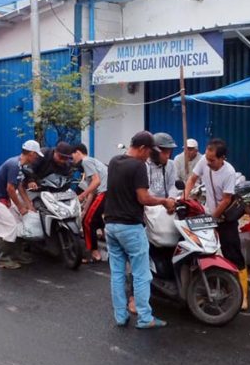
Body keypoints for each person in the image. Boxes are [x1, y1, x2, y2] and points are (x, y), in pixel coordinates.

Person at [104, 131, 176, 328]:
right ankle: (145, 318)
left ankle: (120, 316)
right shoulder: (138, 166)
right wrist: (164, 201)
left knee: (117, 274)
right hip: (130, 228)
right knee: (142, 274)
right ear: (143, 148)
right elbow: (143, 198)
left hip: (111, 226)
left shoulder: (114, 161)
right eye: (149, 152)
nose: (149, 156)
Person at [184, 138, 248, 308]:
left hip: (225, 218)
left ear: (222, 158)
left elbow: (226, 200)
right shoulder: (204, 162)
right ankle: (205, 290)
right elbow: (192, 179)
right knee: (204, 252)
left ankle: (243, 295)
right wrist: (184, 197)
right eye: (207, 158)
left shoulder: (229, 172)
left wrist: (213, 219)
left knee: (232, 254)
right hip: (209, 215)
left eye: (212, 160)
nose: (208, 162)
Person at [0, 140, 41, 269]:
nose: (37, 158)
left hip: (3, 198)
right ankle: (4, 258)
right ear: (31, 153)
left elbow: (19, 186)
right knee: (9, 226)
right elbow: (10, 189)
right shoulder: (14, 165)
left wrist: (28, 205)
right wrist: (20, 207)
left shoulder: (20, 166)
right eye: (36, 155)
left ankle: (17, 254)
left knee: (19, 222)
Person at [73, 143, 108, 264]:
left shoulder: (86, 161)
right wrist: (84, 210)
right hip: (105, 193)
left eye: (72, 156)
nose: (72, 160)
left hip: (104, 193)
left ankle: (95, 253)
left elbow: (96, 182)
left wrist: (82, 195)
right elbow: (92, 191)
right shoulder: (92, 162)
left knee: (87, 222)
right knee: (89, 218)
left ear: (78, 152)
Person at [146, 132, 179, 199]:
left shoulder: (171, 164)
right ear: (154, 152)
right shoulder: (144, 165)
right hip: (149, 203)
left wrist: (171, 198)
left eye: (169, 153)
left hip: (166, 202)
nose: (167, 156)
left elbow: (172, 185)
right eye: (165, 153)